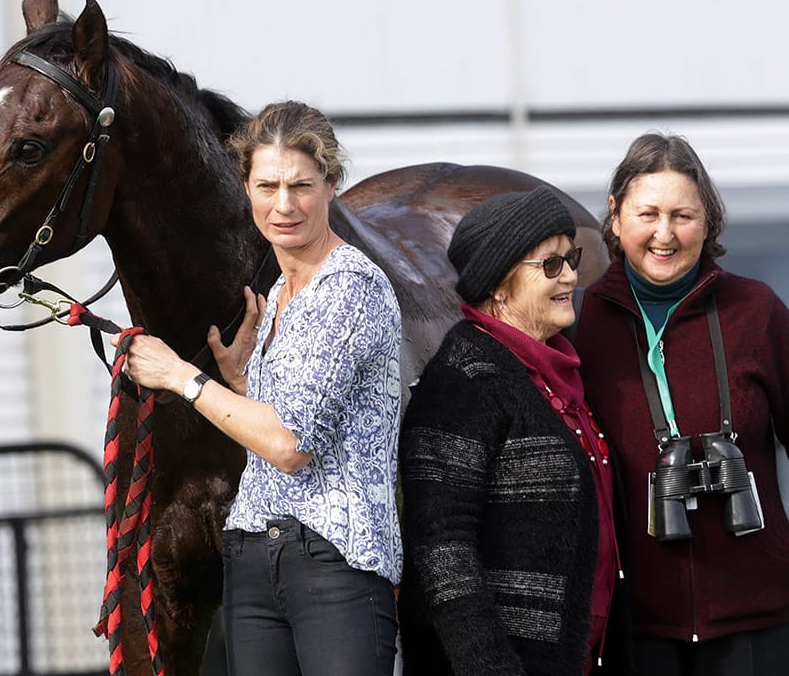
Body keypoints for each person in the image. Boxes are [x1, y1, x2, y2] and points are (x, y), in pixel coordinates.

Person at [113, 101, 401, 675]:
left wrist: (180, 376)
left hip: (334, 563)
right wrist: (244, 381)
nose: (283, 205)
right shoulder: (276, 301)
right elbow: (297, 414)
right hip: (250, 556)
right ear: (245, 187)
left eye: (302, 186)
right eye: (267, 186)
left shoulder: (350, 287)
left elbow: (289, 444)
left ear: (332, 185)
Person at [576, 132, 789, 676]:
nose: (664, 234)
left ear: (709, 220)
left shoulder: (756, 311)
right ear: (615, 215)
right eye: (648, 214)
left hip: (757, 614)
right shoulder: (580, 323)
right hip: (635, 626)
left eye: (683, 216)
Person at [399, 186, 630, 676]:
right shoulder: (462, 380)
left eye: (572, 258)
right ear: (498, 286)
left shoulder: (558, 374)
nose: (571, 275)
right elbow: (442, 550)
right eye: (551, 264)